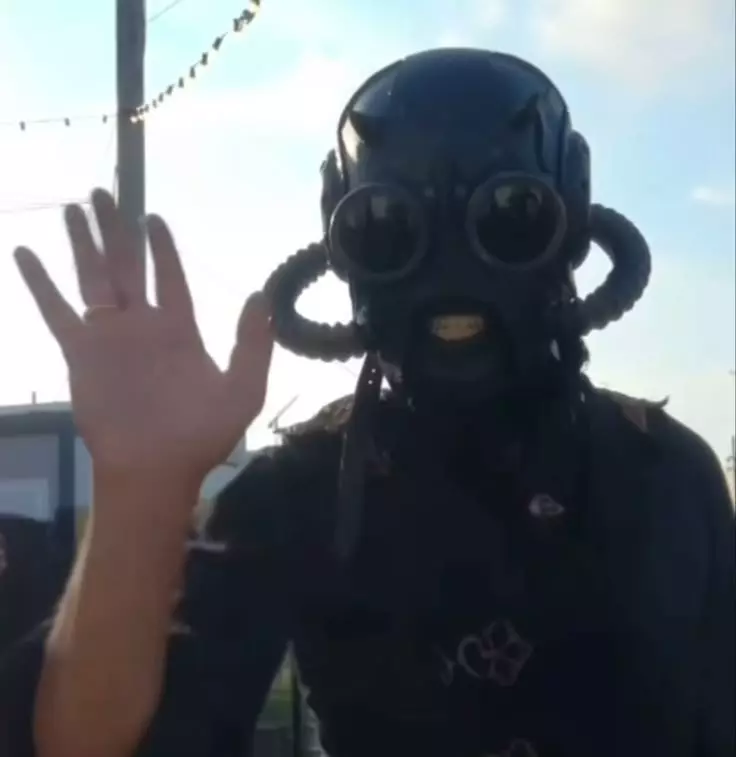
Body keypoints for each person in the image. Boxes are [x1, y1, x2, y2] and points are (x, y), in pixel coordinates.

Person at [0, 48, 733, 757]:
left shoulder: (665, 473)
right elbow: (94, 745)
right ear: (342, 249)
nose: (452, 274)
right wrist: (140, 497)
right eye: (383, 229)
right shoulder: (303, 490)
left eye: (513, 217)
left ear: (570, 230)